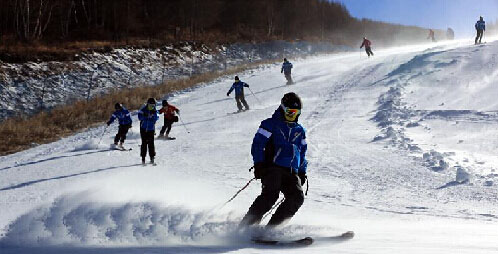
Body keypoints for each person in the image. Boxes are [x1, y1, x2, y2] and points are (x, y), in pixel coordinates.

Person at [240, 92, 308, 228]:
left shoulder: (299, 131)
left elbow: (302, 152)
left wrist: (301, 171)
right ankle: (247, 227)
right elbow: (258, 145)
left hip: (291, 171)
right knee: (271, 195)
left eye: (295, 113)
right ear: (282, 109)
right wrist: (259, 164)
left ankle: (272, 229)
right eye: (289, 112)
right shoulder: (270, 124)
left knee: (297, 198)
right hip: (272, 167)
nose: (292, 115)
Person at [138, 98, 159, 164]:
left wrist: (154, 113)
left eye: (153, 105)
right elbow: (139, 117)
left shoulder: (155, 111)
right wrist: (144, 115)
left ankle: (152, 158)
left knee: (151, 143)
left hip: (151, 129)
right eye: (150, 105)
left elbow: (157, 118)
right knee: (144, 143)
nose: (152, 106)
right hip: (143, 129)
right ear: (147, 104)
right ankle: (143, 158)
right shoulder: (143, 109)